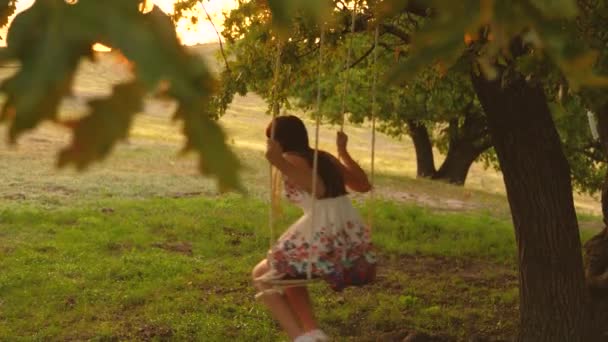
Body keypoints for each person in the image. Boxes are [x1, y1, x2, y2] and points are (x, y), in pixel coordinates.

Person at [252, 115, 377, 342]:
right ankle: (312, 332)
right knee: (289, 273)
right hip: (345, 225)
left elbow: (317, 189)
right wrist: (342, 152)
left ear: (276, 141)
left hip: (323, 228)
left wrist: (279, 161)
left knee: (262, 275)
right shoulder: (323, 157)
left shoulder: (291, 160)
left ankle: (300, 337)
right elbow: (363, 185)